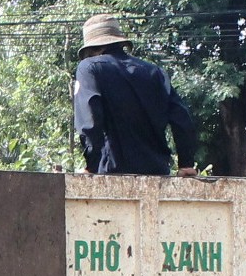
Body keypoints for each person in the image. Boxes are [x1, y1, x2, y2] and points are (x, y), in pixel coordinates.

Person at [72, 13, 198, 177]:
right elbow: (182, 120)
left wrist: (91, 164)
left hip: (111, 174)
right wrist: (186, 163)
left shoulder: (89, 68)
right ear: (119, 42)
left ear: (89, 49)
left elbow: (90, 120)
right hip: (157, 173)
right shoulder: (155, 72)